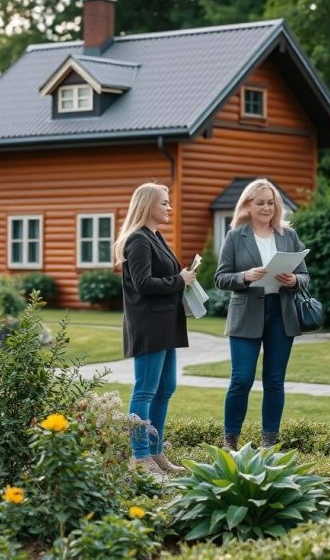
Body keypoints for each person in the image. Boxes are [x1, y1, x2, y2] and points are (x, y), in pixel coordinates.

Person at [214, 178, 310, 450]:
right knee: (241, 379)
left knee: (274, 380)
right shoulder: (235, 236)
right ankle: (230, 441)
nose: (266, 208)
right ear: (247, 205)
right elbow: (220, 278)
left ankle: (270, 441)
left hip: (281, 314)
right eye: (260, 203)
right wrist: (244, 276)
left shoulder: (288, 235)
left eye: (271, 203)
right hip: (246, 314)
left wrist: (293, 281)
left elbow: (305, 276)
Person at [114, 182, 195, 476]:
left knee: (165, 388)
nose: (169, 207)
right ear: (148, 205)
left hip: (166, 323)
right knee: (145, 390)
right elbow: (144, 285)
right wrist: (180, 280)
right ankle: (139, 456)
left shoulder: (154, 237)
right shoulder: (138, 241)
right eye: (164, 203)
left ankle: (156, 451)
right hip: (150, 324)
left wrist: (182, 278)